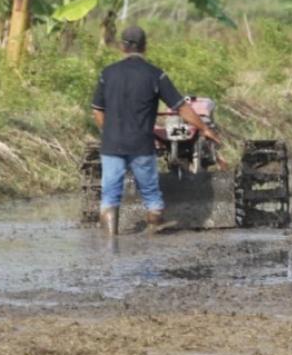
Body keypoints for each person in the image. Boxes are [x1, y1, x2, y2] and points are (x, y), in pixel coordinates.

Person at [91, 26, 221, 236]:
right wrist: (204, 128)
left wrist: (109, 132)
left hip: (112, 144)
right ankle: (154, 226)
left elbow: (97, 110)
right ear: (145, 47)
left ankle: (110, 240)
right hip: (141, 143)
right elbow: (182, 107)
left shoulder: (107, 73)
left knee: (110, 194)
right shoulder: (155, 75)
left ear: (122, 46)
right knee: (150, 192)